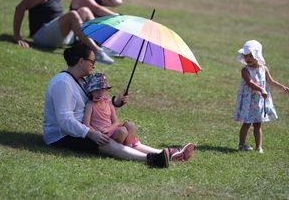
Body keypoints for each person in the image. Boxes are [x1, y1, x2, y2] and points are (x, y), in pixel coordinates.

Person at [43, 43, 194, 168]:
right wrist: (90, 134)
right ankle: (152, 159)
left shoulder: (81, 80)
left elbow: (94, 101)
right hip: (63, 136)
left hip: (84, 130)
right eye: (92, 62)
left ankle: (166, 153)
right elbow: (64, 121)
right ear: (81, 61)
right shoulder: (63, 83)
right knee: (106, 142)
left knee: (127, 136)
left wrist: (116, 102)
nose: (93, 66)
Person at [13, 0, 114, 64]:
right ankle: (97, 52)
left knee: (85, 10)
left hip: (60, 37)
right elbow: (20, 8)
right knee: (72, 14)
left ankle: (102, 45)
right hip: (42, 36)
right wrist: (17, 36)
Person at [233, 40, 289, 154]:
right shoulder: (245, 70)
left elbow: (271, 81)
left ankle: (259, 147)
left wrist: (281, 86)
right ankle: (242, 144)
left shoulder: (264, 69)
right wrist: (261, 89)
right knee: (247, 123)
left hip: (259, 101)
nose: (247, 58)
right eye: (246, 56)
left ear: (257, 56)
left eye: (250, 56)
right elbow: (250, 83)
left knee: (258, 124)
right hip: (249, 101)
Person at [83, 72, 140, 148]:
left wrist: (109, 128)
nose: (100, 92)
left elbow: (116, 122)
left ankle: (128, 146)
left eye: (103, 89)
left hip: (111, 129)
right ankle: (120, 148)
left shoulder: (108, 103)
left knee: (130, 125)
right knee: (122, 131)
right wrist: (96, 134)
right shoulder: (90, 105)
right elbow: (86, 124)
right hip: (103, 134)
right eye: (97, 90)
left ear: (106, 89)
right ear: (91, 91)